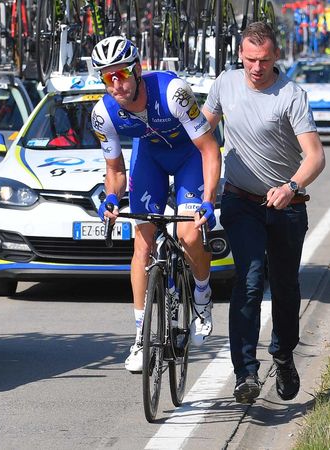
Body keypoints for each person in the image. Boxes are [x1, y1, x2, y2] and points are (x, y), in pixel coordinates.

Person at [202, 21, 325, 404]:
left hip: (287, 206)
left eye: (265, 60)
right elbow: (200, 133)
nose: (257, 68)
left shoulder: (291, 95)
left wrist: (291, 187)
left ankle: (283, 355)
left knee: (285, 286)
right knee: (251, 279)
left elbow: (315, 157)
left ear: (276, 57)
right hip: (241, 201)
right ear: (240, 55)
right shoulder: (225, 84)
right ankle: (246, 373)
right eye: (251, 59)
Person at [90, 36, 221, 372]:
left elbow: (209, 149)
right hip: (150, 160)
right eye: (107, 77)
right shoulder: (103, 113)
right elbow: (115, 170)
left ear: (137, 69)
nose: (116, 84)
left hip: (189, 157)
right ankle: (140, 338)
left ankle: (202, 295)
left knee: (188, 235)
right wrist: (111, 197)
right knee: (143, 245)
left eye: (121, 74)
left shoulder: (173, 92)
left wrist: (208, 200)